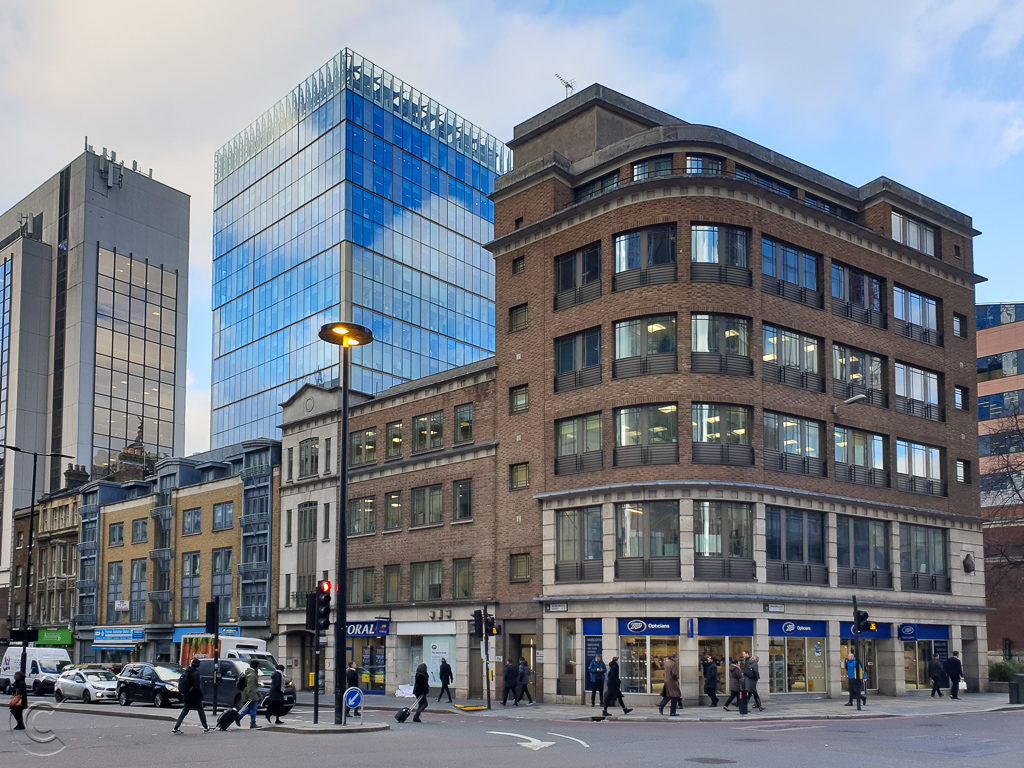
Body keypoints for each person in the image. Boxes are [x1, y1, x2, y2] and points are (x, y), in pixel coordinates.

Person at [172, 658, 211, 734]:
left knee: (184, 712)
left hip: (187, 695)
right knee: (200, 711)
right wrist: (201, 694)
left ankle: (175, 728)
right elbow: (196, 687)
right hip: (195, 696)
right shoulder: (196, 673)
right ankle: (206, 727)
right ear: (198, 665)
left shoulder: (187, 671)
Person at [236, 659, 261, 728]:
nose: (258, 668)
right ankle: (250, 722)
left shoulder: (249, 672)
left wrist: (259, 694)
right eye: (258, 666)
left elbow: (254, 686)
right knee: (252, 708)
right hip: (250, 694)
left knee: (249, 708)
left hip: (247, 693)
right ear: (256, 667)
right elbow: (251, 687)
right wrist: (251, 696)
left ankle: (240, 718)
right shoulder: (252, 675)